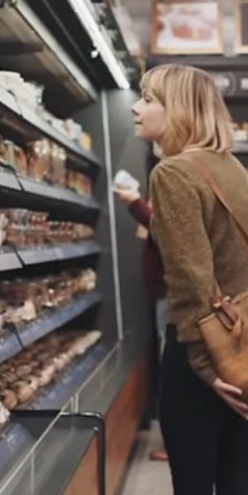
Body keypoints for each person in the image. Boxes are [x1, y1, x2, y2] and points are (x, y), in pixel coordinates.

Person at [133, 63, 248, 495]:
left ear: (178, 109)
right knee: (236, 485)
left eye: (148, 99)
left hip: (201, 356)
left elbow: (192, 278)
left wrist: (208, 370)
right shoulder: (230, 167)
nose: (136, 108)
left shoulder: (172, 173)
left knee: (192, 489)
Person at [111, 183, 170, 462]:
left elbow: (164, 229)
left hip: (172, 297)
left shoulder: (171, 178)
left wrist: (136, 203)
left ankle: (180, 443)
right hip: (166, 296)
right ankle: (180, 440)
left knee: (173, 367)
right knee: (172, 365)